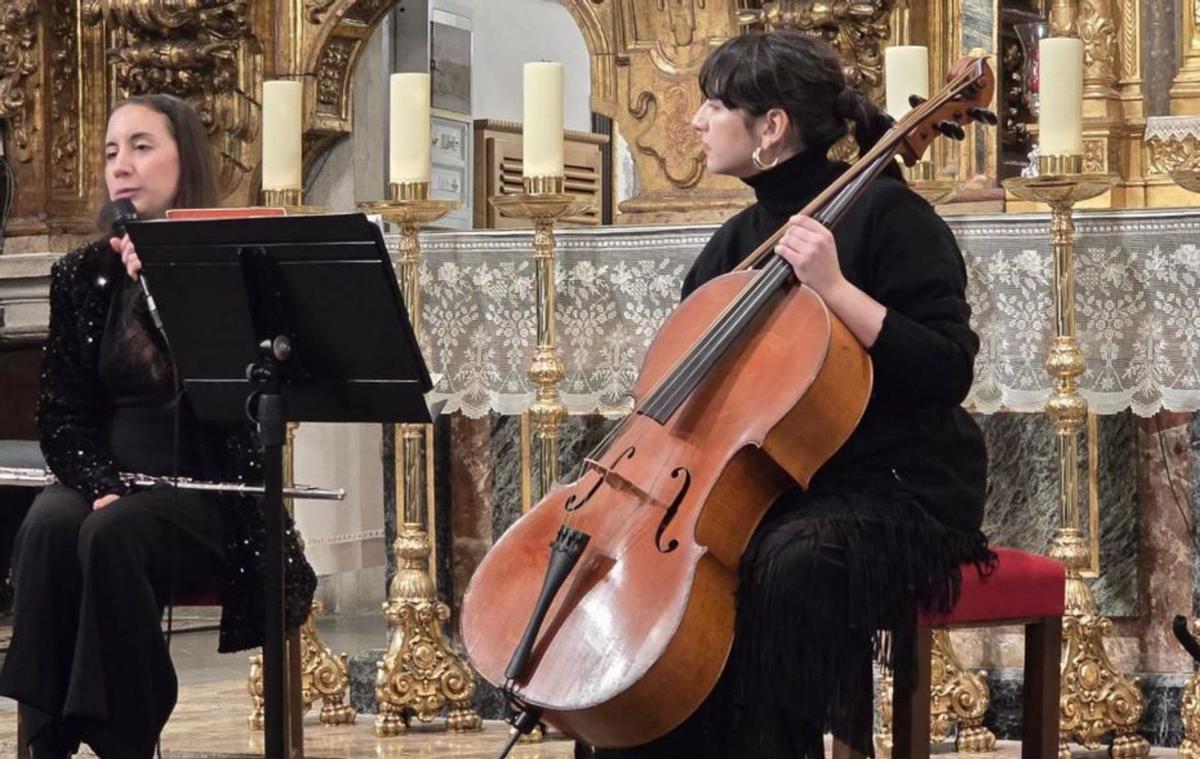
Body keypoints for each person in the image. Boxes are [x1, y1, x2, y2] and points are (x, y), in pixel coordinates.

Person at [580, 31, 993, 758]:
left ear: (771, 127)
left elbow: (947, 368)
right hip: (775, 487)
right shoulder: (734, 244)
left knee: (790, 564)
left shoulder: (891, 217)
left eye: (714, 106)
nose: (697, 122)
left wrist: (834, 287)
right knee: (664, 578)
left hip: (897, 485)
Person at [0, 94, 317, 759]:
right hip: (110, 480)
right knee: (48, 524)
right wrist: (101, 483)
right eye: (111, 151)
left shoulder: (229, 266)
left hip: (208, 494)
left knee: (110, 533)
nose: (122, 165)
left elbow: (238, 410)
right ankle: (44, 743)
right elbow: (61, 413)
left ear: (185, 161)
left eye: (142, 147)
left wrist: (173, 297)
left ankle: (125, 740)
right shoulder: (81, 275)